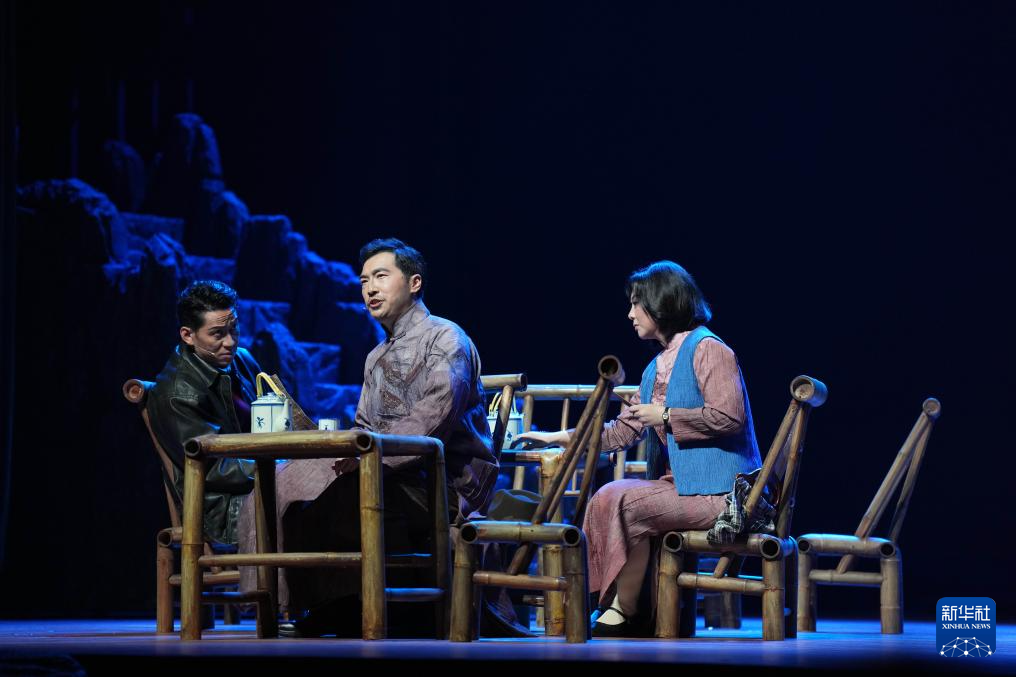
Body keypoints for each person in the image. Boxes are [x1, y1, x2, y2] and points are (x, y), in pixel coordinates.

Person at [238, 238, 500, 637]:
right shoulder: (375, 356)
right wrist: (350, 447)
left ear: (414, 283)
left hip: (441, 481)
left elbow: (435, 415)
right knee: (280, 482)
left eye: (380, 277)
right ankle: (286, 602)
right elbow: (363, 422)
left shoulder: (447, 339)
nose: (370, 289)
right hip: (385, 470)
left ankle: (343, 606)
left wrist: (370, 454)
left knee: (341, 490)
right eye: (364, 281)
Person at [517, 261, 762, 637]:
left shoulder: (709, 349)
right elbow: (621, 433)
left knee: (622, 500)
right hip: (683, 487)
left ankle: (624, 610)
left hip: (724, 493)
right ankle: (619, 605)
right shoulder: (655, 368)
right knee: (609, 495)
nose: (630, 314)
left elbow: (729, 417)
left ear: (662, 302)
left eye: (637, 303)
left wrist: (664, 415)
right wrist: (559, 437)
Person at [147, 280, 260, 545]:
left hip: (259, 482)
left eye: (234, 329)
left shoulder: (242, 359)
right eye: (217, 334)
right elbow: (212, 467)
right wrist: (277, 466)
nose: (230, 342)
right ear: (188, 335)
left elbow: (279, 411)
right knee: (312, 506)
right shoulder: (178, 393)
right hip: (222, 510)